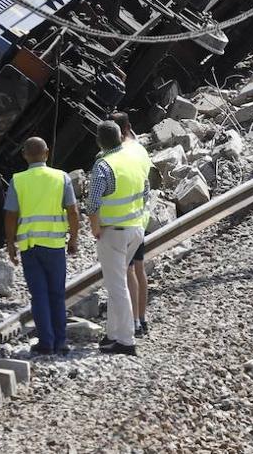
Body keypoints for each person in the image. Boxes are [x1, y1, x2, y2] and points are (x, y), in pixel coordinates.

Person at [4, 137, 79, 356]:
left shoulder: (18, 180)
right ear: (47, 153)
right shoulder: (61, 177)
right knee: (57, 294)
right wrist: (73, 239)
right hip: (55, 246)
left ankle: (46, 343)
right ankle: (61, 342)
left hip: (30, 247)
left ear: (25, 155)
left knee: (39, 295)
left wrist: (11, 243)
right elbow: (73, 211)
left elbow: (10, 215)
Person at [85, 120, 149, 355]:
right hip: (135, 228)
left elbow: (92, 204)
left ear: (99, 141)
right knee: (117, 282)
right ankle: (112, 335)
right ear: (121, 137)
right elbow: (146, 192)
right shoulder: (133, 159)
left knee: (117, 286)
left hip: (113, 232)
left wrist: (94, 228)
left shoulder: (103, 165)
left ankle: (126, 340)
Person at [111, 112, 151, 338]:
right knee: (139, 267)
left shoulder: (118, 155)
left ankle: (132, 323)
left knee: (126, 271)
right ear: (129, 127)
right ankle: (141, 320)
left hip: (123, 219)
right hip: (139, 216)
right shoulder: (139, 149)